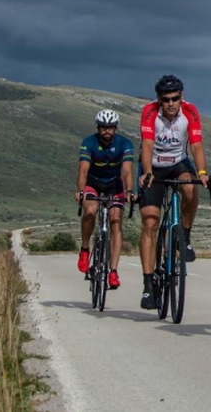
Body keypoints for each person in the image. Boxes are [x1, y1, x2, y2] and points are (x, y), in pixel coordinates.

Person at [137, 74, 211, 310]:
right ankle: (148, 285)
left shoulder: (190, 112)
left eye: (175, 98)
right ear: (159, 99)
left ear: (182, 97)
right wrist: (148, 172)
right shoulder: (150, 112)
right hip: (154, 166)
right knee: (149, 223)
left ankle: (186, 237)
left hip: (178, 163)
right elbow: (148, 145)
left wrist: (202, 171)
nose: (171, 104)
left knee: (191, 187)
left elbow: (196, 145)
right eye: (166, 99)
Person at [75, 109, 135, 289]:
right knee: (91, 211)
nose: (106, 131)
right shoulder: (89, 142)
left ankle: (113, 271)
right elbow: (83, 170)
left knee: (116, 219)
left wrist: (130, 190)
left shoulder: (124, 143)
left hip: (114, 184)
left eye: (110, 128)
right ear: (98, 128)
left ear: (115, 128)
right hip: (93, 183)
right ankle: (85, 249)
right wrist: (80, 190)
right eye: (103, 127)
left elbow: (126, 171)